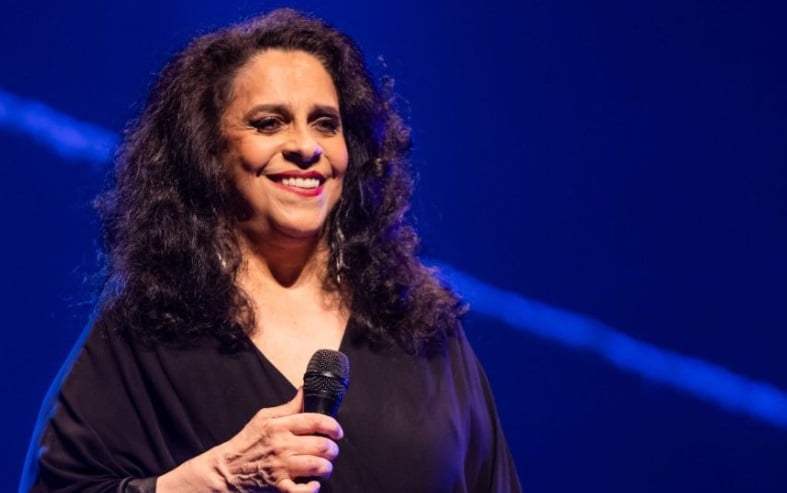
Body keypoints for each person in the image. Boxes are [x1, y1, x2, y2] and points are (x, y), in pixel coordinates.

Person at [20, 8, 522, 493]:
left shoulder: (419, 327)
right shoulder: (147, 330)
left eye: (325, 123)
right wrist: (217, 479)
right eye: (268, 123)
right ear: (208, 152)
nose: (306, 146)